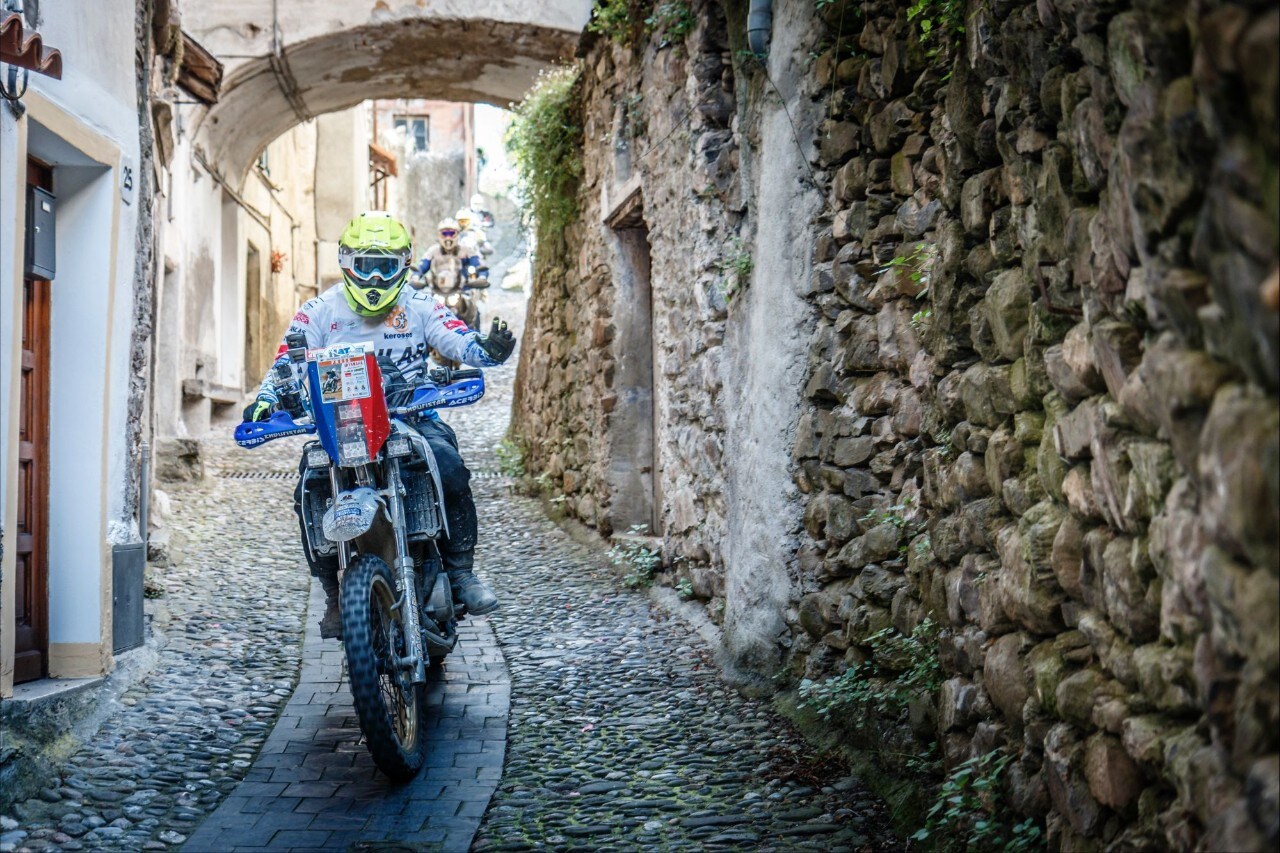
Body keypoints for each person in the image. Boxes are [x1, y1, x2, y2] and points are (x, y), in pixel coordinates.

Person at [242, 211, 516, 638]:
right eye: (366, 266)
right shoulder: (318, 311)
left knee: (448, 466)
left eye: (385, 267)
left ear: (403, 265)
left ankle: (462, 572)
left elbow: (458, 338)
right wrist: (267, 398)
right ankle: (334, 593)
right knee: (309, 486)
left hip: (413, 416)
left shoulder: (421, 305)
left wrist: (489, 349)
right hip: (343, 424)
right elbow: (286, 361)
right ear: (346, 263)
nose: (374, 278)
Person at [415, 217, 486, 293]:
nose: (448, 238)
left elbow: (478, 264)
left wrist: (482, 277)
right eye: (444, 234)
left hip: (463, 291)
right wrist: (415, 277)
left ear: (458, 234)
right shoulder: (433, 251)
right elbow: (422, 266)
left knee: (475, 297)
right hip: (437, 291)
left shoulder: (466, 250)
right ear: (439, 235)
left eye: (452, 233)